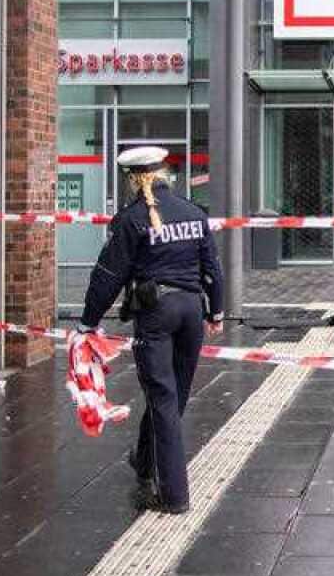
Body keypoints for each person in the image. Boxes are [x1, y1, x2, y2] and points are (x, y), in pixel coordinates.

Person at [77, 146, 225, 514]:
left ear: (134, 178)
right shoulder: (193, 212)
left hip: (156, 313)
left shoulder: (131, 219)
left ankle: (175, 496)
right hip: (192, 310)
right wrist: (217, 312)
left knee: (162, 398)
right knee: (173, 396)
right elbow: (213, 269)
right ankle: (144, 462)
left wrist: (87, 324)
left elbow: (108, 277)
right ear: (164, 175)